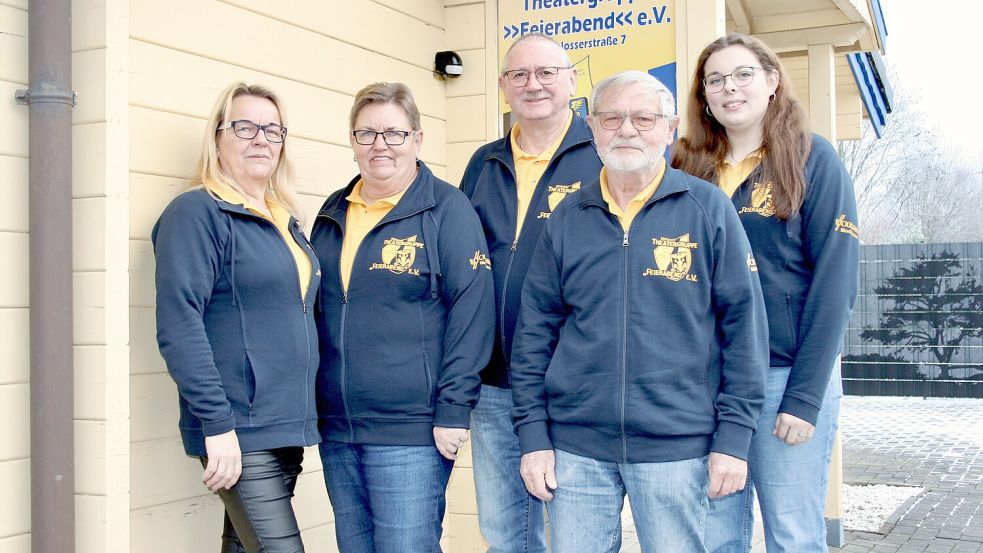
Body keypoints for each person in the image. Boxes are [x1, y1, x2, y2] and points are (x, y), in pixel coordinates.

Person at [511, 70, 769, 553]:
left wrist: (733, 438)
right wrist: (532, 436)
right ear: (591, 126)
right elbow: (534, 334)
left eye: (643, 118)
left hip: (677, 447)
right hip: (575, 448)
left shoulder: (707, 209)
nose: (626, 129)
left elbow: (744, 329)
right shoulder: (567, 218)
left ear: (669, 128)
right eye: (612, 118)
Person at [671, 33, 860, 552]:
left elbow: (835, 284)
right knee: (712, 535)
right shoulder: (686, 168)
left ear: (773, 81)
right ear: (703, 95)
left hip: (784, 379)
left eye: (742, 75)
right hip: (707, 383)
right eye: (715, 80)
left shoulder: (812, 160)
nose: (729, 89)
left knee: (792, 535)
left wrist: (804, 396)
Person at [309, 82, 494, 553]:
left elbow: (473, 314)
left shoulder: (447, 210)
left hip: (411, 430)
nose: (380, 146)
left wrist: (454, 408)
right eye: (366, 133)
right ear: (351, 141)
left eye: (393, 133)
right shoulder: (333, 212)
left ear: (417, 139)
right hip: (339, 425)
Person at [153, 82, 319, 553]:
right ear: (218, 138)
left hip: (285, 421)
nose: (260, 138)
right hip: (239, 427)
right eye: (244, 127)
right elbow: (179, 322)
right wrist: (217, 425)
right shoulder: (196, 213)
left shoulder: (283, 217)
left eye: (272, 129)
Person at [459, 32, 602, 553]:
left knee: (576, 535)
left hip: (573, 384)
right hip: (495, 382)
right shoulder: (483, 162)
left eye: (546, 73)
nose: (533, 84)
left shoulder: (601, 156)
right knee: (506, 532)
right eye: (519, 75)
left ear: (570, 80)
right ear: (502, 87)